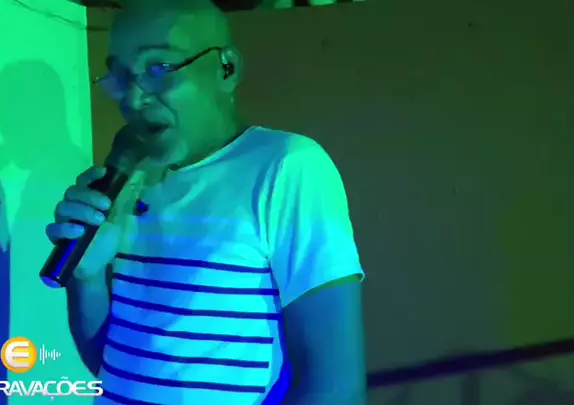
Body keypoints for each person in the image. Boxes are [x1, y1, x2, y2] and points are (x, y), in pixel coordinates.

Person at [45, 0, 366, 403]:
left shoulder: (286, 166)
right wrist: (88, 278)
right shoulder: (131, 184)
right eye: (120, 77)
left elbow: (335, 386)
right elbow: (110, 364)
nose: (133, 98)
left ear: (226, 68)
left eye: (158, 68)